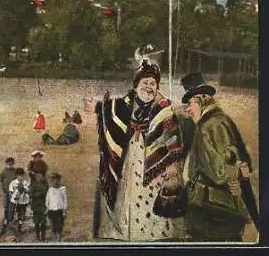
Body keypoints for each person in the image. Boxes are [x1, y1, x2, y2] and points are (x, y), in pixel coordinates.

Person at [94, 59, 186, 241]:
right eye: (145, 83)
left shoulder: (163, 107)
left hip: (155, 162)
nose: (149, 87)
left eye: (153, 83)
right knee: (126, 194)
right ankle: (128, 234)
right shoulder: (127, 103)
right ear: (136, 85)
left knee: (151, 201)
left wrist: (172, 165)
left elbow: (172, 137)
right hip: (131, 159)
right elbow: (110, 109)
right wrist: (97, 107)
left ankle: (154, 236)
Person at [181, 72, 254, 242]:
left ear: (202, 99)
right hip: (219, 206)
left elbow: (220, 171)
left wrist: (239, 172)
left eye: (190, 103)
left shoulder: (209, 126)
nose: (187, 109)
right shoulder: (220, 120)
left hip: (212, 208)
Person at [46, 173, 68, 242]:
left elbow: (65, 200)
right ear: (52, 181)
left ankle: (58, 241)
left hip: (59, 211)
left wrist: (64, 210)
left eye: (57, 180)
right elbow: (47, 200)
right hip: (51, 211)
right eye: (54, 180)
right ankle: (54, 241)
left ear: (59, 181)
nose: (55, 182)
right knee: (53, 227)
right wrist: (47, 208)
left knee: (59, 228)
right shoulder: (50, 190)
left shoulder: (62, 189)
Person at [8, 168, 31, 233]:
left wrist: (24, 188)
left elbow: (28, 191)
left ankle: (19, 227)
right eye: (19, 175)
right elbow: (10, 191)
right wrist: (12, 198)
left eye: (22, 175)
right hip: (15, 201)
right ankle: (10, 226)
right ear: (16, 176)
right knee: (12, 214)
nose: (21, 177)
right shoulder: (13, 182)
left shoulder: (25, 182)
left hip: (23, 201)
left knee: (22, 214)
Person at [0, 157, 16, 230]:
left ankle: (10, 219)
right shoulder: (4, 172)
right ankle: (6, 218)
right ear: (6, 164)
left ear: (13, 164)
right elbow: (0, 179)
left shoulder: (15, 171)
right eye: (8, 164)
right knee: (6, 205)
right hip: (6, 191)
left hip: (13, 192)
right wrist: (2, 188)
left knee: (12, 205)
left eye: (11, 164)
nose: (10, 165)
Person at [30, 172, 49, 241]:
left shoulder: (45, 184)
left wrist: (37, 194)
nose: (39, 178)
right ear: (35, 177)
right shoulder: (33, 184)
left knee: (43, 222)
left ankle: (43, 237)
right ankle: (38, 236)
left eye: (40, 176)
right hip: (35, 206)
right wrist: (39, 194)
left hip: (43, 205)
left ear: (43, 177)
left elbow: (45, 192)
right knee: (36, 222)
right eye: (37, 176)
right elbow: (31, 194)